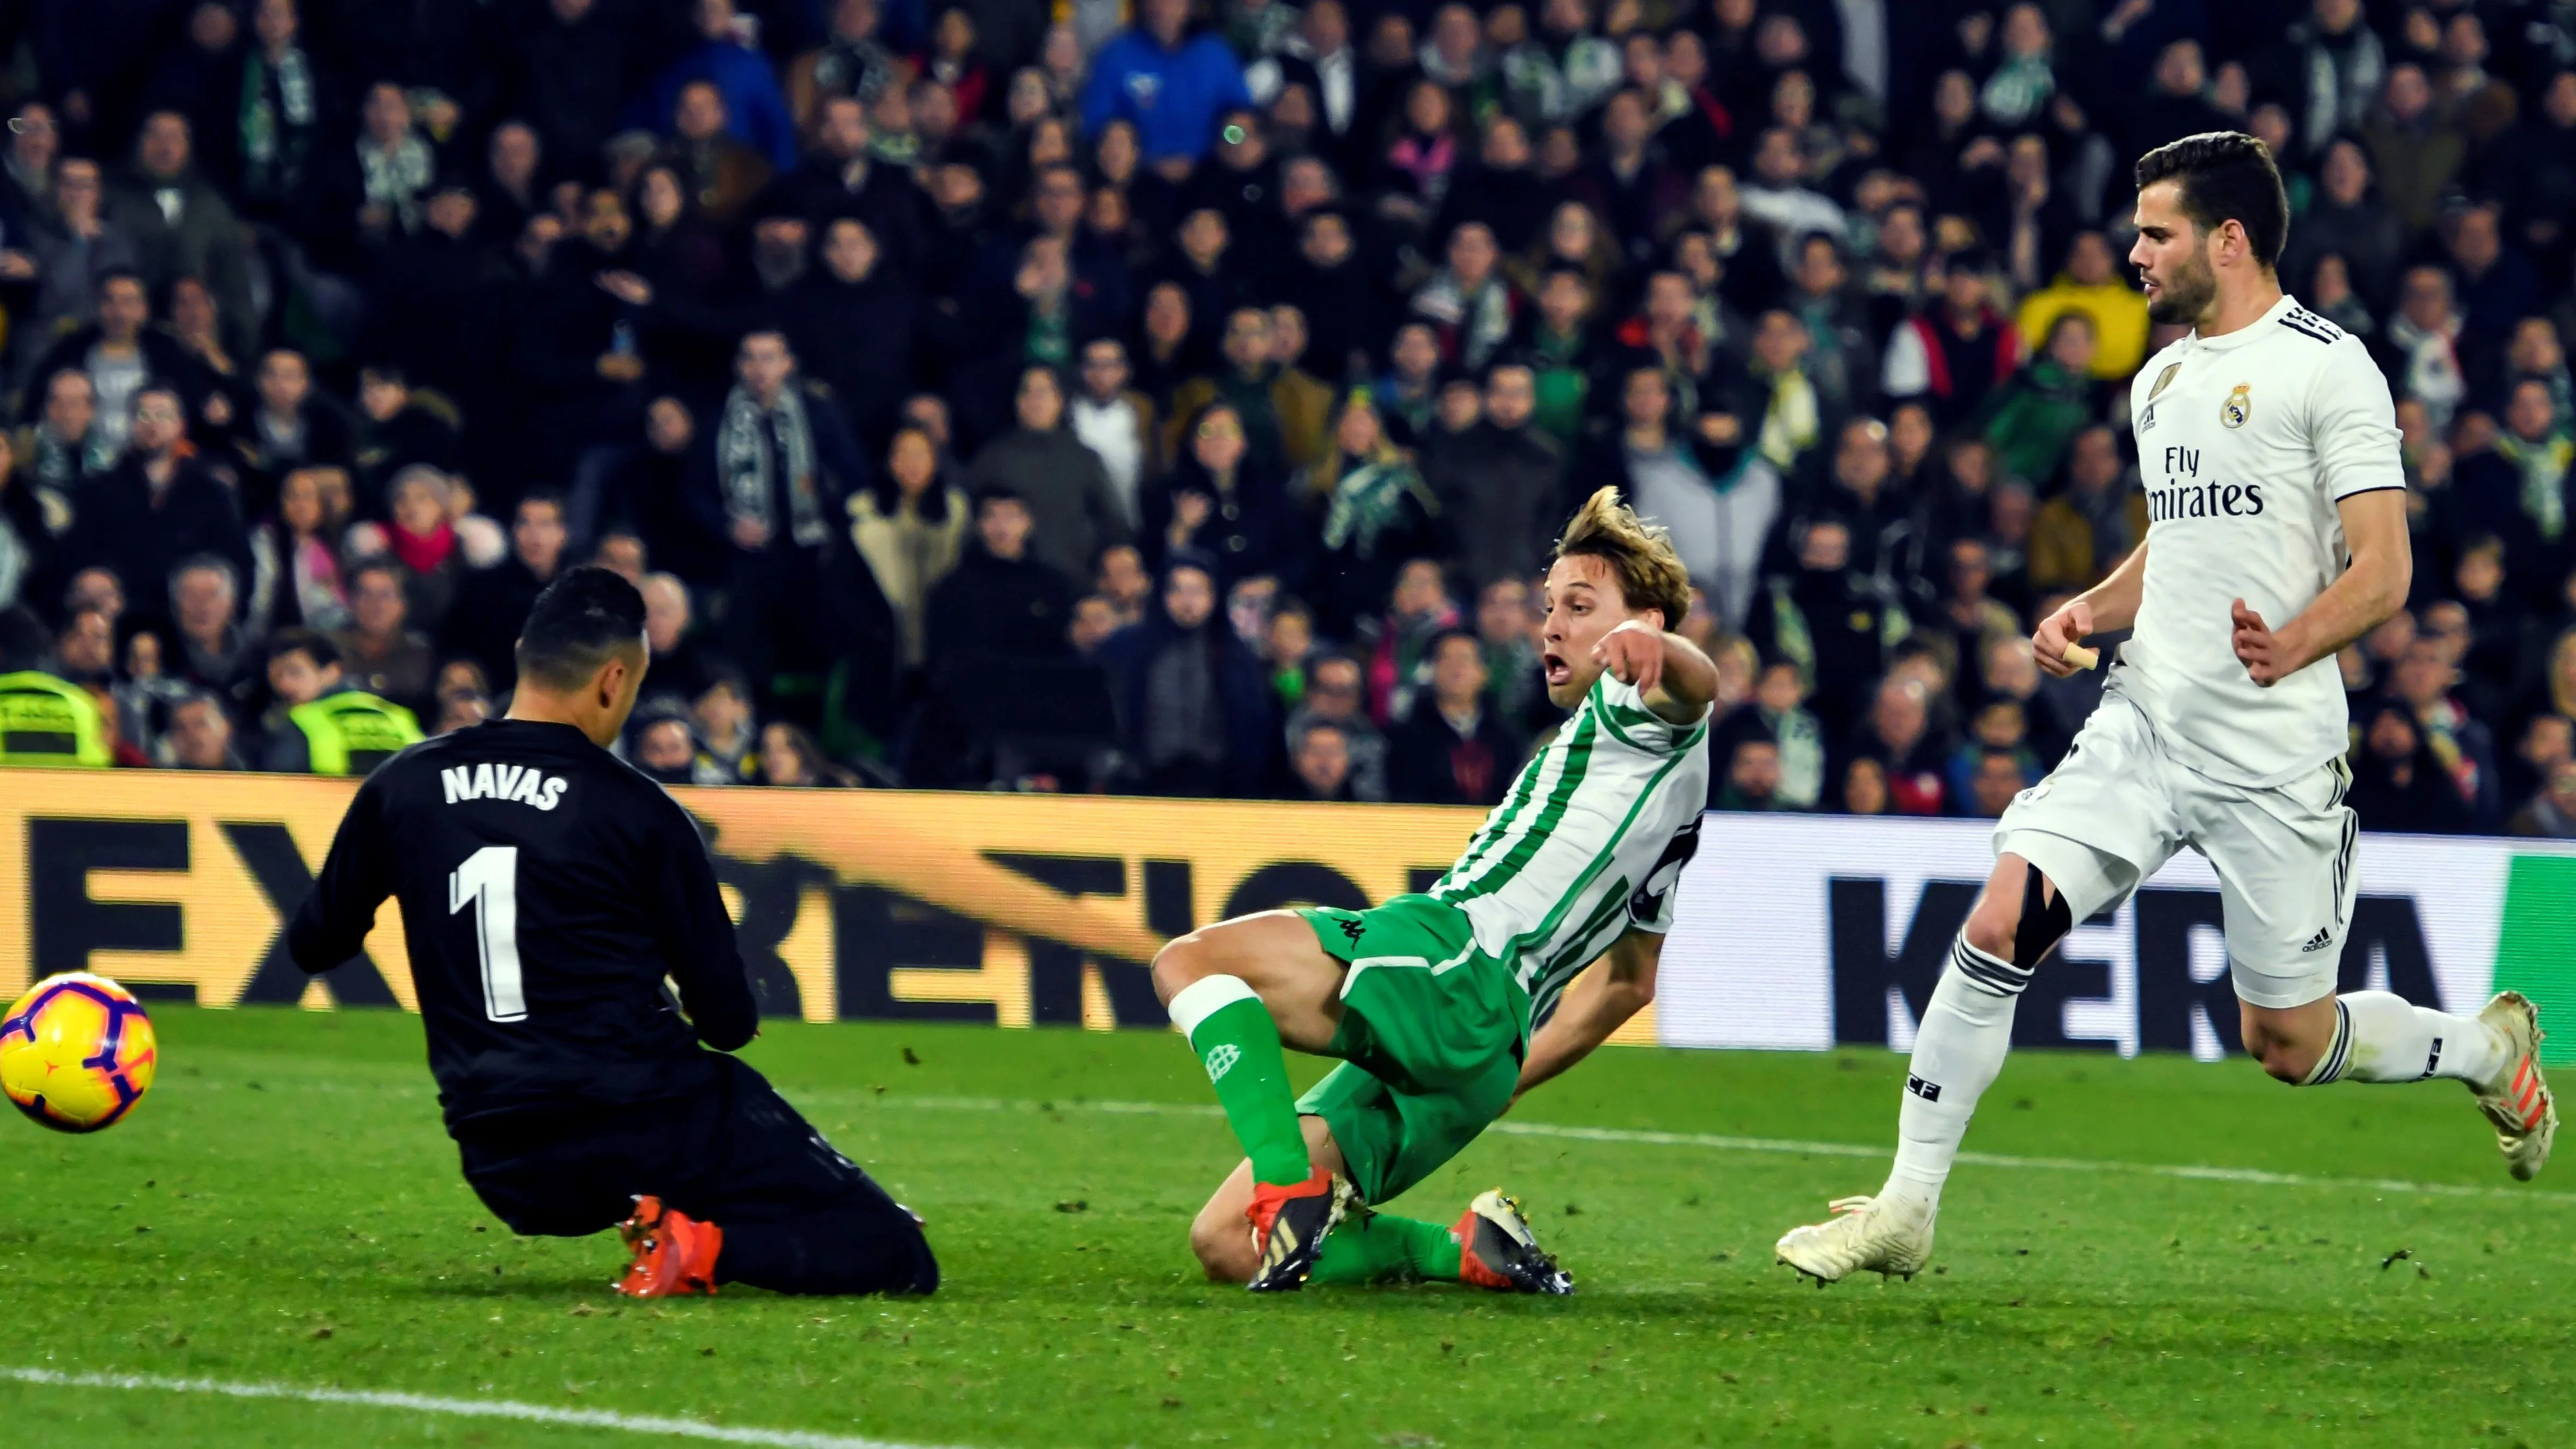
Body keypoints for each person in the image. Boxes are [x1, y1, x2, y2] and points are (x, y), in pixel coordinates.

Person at [1778, 132, 2558, 1287]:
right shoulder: (2159, 380)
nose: (2132, 252)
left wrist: (2292, 644)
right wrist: (2090, 612)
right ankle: (1906, 1206)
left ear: (2228, 239)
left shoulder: (2329, 368)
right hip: (2143, 729)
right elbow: (2179, 544)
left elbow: (2386, 570)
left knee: (2286, 1045)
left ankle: (2487, 1049)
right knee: (1999, 922)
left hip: (2275, 762)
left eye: (2156, 232)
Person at [288, 567, 936, 1298]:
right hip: (646, 1120)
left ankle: (676, 1228)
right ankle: (695, 1249)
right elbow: (725, 1021)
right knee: (892, 1250)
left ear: (523, 654)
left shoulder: (402, 786)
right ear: (613, 680)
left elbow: (316, 944)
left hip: (503, 1155)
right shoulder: (639, 810)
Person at [1150, 487, 1711, 1293]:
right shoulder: (1669, 804)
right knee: (1226, 1244)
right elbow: (1630, 983)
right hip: (1483, 1049)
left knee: (1190, 964)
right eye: (1550, 604)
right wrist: (1509, 1079)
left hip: (1456, 961)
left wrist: (1665, 655)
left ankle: (1289, 1189)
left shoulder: (1643, 710)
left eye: (1581, 606)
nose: (1552, 624)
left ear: (1646, 625)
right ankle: (1468, 1249)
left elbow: (1700, 685)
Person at [257, 628, 424, 776]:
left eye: (295, 672)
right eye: (277, 676)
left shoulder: (303, 721)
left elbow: (277, 783)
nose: (284, 685)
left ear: (332, 672)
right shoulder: (399, 717)